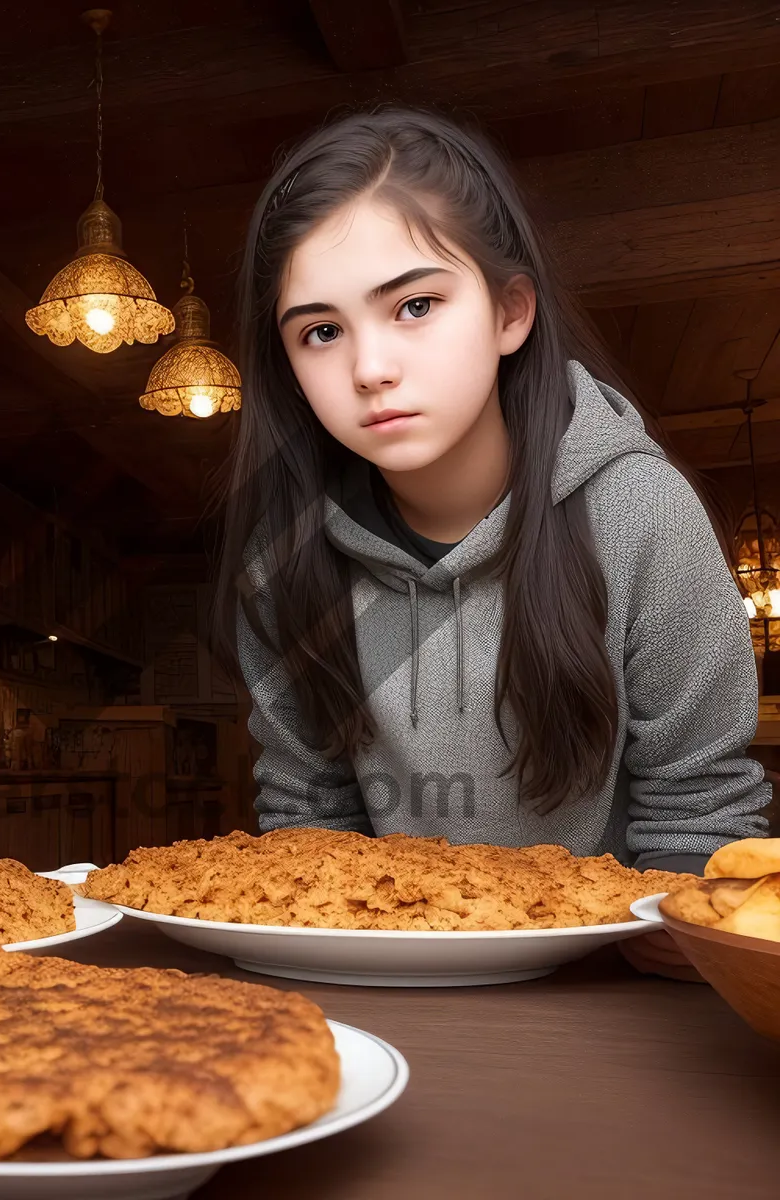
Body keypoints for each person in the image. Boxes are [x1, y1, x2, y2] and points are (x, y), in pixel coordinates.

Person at [216, 108, 770, 978]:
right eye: (320, 331)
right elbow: (306, 823)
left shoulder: (639, 513)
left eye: (416, 305)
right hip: (374, 979)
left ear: (510, 312)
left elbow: (699, 821)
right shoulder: (278, 563)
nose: (369, 367)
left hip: (616, 992)